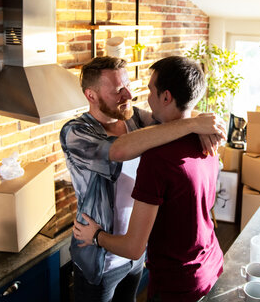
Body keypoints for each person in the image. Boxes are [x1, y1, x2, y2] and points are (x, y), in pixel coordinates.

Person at [60, 56, 225, 302]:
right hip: (99, 256)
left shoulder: (136, 118)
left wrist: (203, 125)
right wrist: (194, 124)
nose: (129, 94)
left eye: (128, 85)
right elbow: (118, 150)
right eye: (118, 90)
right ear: (91, 96)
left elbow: (175, 114)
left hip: (135, 251)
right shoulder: (75, 132)